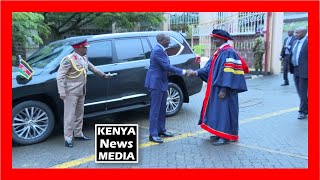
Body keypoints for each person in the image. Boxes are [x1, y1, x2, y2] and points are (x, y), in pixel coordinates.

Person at [186, 29, 247, 145]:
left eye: (216, 38)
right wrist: (196, 73)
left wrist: (225, 89)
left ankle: (225, 137)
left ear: (223, 39)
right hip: (216, 88)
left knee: (225, 112)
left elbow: (230, 73)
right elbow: (208, 68)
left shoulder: (229, 52)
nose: (214, 41)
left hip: (225, 89)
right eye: (214, 38)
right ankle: (219, 133)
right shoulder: (219, 52)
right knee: (218, 111)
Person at [57, 39, 111, 147]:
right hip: (70, 92)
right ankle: (68, 138)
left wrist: (104, 75)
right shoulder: (68, 60)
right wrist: (61, 92)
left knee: (79, 114)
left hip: (81, 90)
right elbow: (60, 76)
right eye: (85, 47)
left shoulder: (84, 58)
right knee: (69, 116)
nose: (86, 49)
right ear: (78, 48)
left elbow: (93, 68)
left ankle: (78, 134)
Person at [144, 33, 187, 143]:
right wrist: (183, 71)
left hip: (162, 82)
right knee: (155, 110)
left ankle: (161, 130)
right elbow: (166, 66)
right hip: (156, 83)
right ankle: (153, 134)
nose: (169, 42)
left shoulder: (161, 49)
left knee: (162, 108)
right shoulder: (158, 50)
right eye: (167, 40)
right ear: (161, 40)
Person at [289, 27, 308, 119]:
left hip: (305, 70)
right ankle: (307, 107)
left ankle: (302, 111)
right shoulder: (294, 42)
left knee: (303, 91)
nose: (295, 34)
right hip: (295, 69)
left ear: (304, 33)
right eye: (295, 33)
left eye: (298, 33)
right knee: (299, 91)